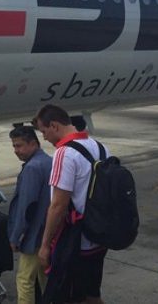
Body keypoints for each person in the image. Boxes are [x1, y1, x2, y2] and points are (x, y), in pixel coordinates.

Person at [34, 104, 110, 304]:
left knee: (69, 296)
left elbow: (58, 205)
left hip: (77, 241)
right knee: (92, 294)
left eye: (44, 132)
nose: (44, 138)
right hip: (99, 235)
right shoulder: (100, 147)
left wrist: (44, 246)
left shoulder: (64, 153)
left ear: (54, 126)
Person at [7, 126, 52, 304]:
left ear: (33, 143)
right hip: (46, 231)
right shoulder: (48, 161)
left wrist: (16, 236)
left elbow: (26, 207)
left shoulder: (32, 168)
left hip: (34, 236)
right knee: (45, 277)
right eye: (14, 147)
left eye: (19, 146)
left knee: (24, 280)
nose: (16, 151)